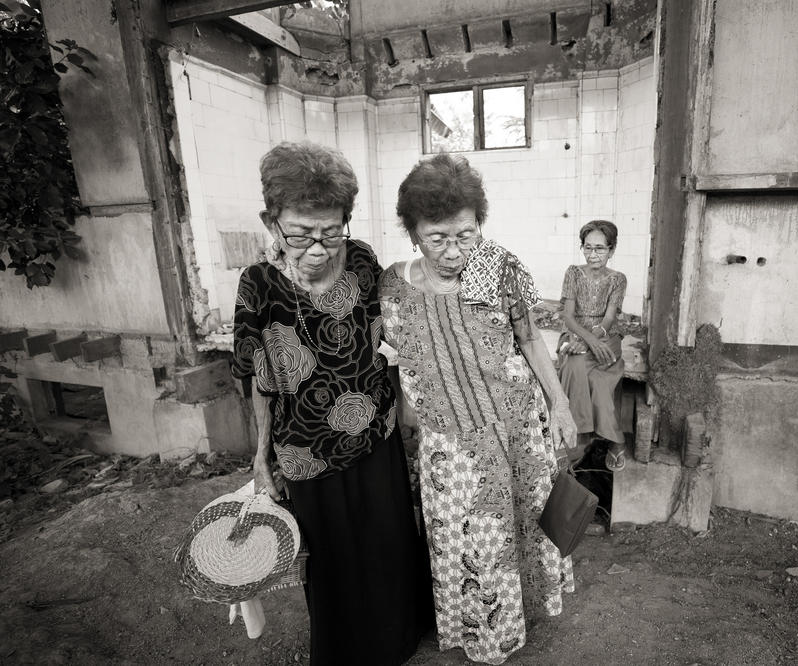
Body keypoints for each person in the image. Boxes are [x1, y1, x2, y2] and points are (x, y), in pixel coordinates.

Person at [230, 141, 432, 665]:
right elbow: (257, 379)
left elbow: (395, 332)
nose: (318, 248)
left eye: (330, 230)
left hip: (377, 435)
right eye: (300, 233)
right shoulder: (258, 285)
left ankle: (401, 637)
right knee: (333, 561)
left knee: (389, 543)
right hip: (306, 452)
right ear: (270, 221)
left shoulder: (362, 259)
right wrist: (260, 459)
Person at [379, 153, 577, 665]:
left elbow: (531, 342)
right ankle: (478, 632)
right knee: (460, 544)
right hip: (447, 441)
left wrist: (560, 406)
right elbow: (402, 359)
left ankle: (513, 624)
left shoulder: (499, 266)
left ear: (479, 223)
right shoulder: (392, 285)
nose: (452, 251)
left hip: (513, 428)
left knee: (518, 530)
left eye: (465, 235)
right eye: (436, 237)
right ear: (413, 232)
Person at [557, 220, 628, 472]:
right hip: (575, 331)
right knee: (575, 363)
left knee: (599, 380)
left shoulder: (618, 279)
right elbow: (567, 316)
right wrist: (585, 340)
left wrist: (596, 338)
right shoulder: (574, 273)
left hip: (606, 335)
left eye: (599, 248)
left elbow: (609, 318)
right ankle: (584, 435)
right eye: (587, 248)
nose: (593, 254)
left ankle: (591, 438)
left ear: (611, 249)